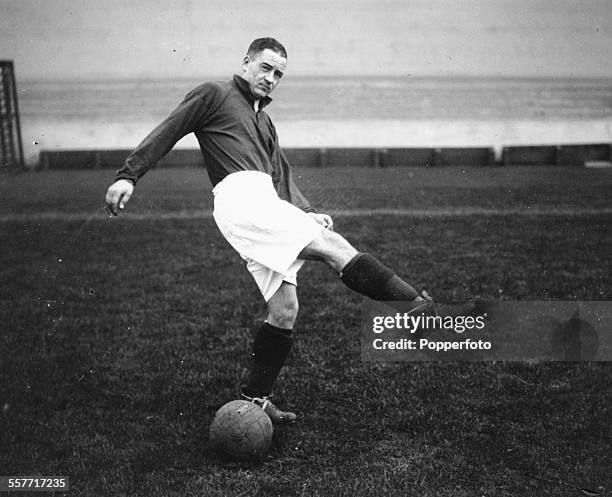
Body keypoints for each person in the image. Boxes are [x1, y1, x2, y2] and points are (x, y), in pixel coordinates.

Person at [105, 37, 471, 424]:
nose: (271, 78)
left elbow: (280, 175)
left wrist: (308, 211)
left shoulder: (265, 120)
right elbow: (170, 129)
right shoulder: (214, 94)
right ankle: (420, 313)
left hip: (261, 200)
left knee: (284, 309)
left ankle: (255, 398)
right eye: (265, 68)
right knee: (334, 247)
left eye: (279, 73)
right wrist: (130, 175)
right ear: (246, 63)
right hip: (241, 196)